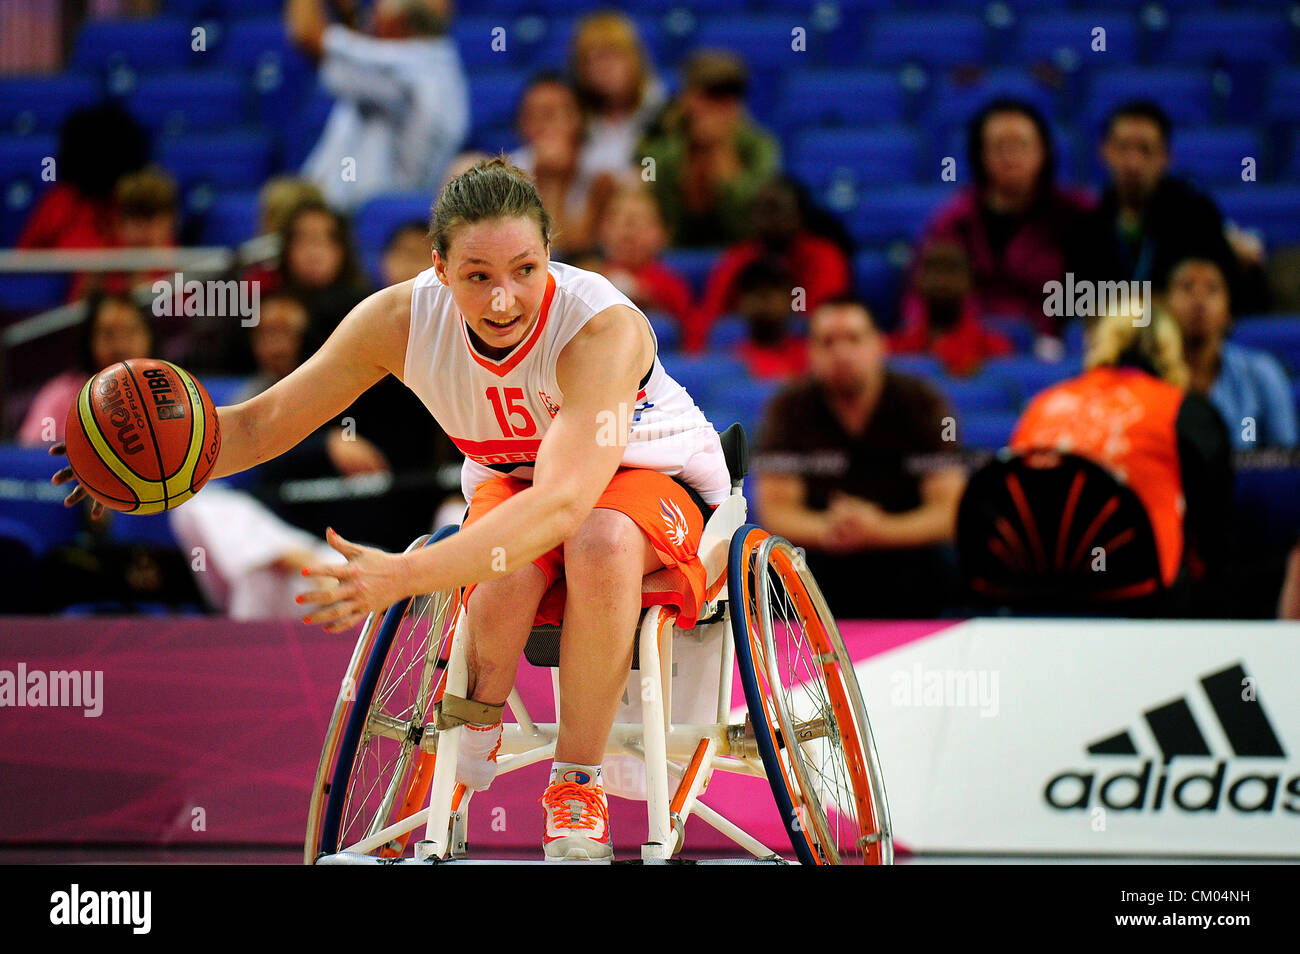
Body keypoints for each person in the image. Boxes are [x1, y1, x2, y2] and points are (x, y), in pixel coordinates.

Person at [52, 156, 729, 863]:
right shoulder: (400, 321)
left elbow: (564, 507)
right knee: (502, 580)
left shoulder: (599, 329)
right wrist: (136, 466)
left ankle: (576, 781)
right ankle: (466, 747)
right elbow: (261, 423)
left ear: (549, 257)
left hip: (654, 476)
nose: (504, 300)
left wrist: (406, 577)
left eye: (525, 271)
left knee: (599, 540)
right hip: (522, 478)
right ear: (438, 267)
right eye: (478, 276)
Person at [1009, 307, 1233, 614]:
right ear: (1172, 350)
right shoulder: (1185, 410)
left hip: (1025, 593)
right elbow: (1212, 525)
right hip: (1140, 596)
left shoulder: (1042, 405)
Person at [754, 297, 966, 618]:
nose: (841, 353)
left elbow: (949, 512)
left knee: (950, 564)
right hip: (818, 562)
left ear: (880, 345)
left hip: (907, 558)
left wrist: (880, 528)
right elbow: (778, 512)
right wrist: (831, 528)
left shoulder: (922, 403)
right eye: (827, 342)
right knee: (767, 572)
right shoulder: (789, 408)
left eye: (853, 339)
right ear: (810, 353)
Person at [904, 98, 1091, 347]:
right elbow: (922, 296)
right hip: (969, 349)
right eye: (1000, 146)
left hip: (1053, 346)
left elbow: (1096, 291)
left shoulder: (1076, 214)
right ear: (980, 154)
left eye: (1021, 145)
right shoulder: (953, 220)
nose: (1011, 156)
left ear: (1043, 152)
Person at [1071, 100, 1268, 314]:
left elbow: (1226, 298)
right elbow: (1076, 304)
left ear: (1165, 157)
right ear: (1105, 151)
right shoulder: (1087, 226)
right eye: (1124, 148)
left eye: (1145, 150)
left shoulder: (1197, 217)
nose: (1133, 163)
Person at [288, 0, 468, 211]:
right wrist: (348, 12)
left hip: (375, 216)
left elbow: (307, 34)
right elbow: (358, 49)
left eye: (375, 14)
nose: (370, 20)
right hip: (370, 210)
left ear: (394, 24)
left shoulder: (412, 67)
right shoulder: (435, 61)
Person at [639, 49, 781, 247]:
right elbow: (660, 215)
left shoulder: (760, 147)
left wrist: (721, 150)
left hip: (740, 253)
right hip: (670, 255)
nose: (712, 108)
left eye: (723, 98)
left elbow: (748, 222)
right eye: (705, 95)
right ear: (686, 99)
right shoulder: (661, 144)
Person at [691, 177, 849, 352]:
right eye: (761, 210)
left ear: (799, 215)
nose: (769, 219)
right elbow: (710, 319)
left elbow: (828, 318)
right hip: (743, 353)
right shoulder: (736, 259)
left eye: (777, 209)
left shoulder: (823, 256)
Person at [1164, 256, 1297, 449]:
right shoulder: (1149, 376)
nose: (1199, 299)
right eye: (1186, 287)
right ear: (1166, 306)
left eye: (1212, 289)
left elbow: (1286, 461)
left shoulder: (1261, 373)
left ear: (1228, 311)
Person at [18, 292, 153, 445]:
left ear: (149, 336)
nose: (120, 346)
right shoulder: (58, 394)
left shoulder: (172, 389)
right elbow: (31, 452)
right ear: (89, 340)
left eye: (130, 332)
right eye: (108, 334)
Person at [509, 74, 620, 258]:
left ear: (578, 119)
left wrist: (556, 181)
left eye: (552, 115)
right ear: (522, 124)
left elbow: (579, 249)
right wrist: (547, 179)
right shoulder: (509, 173)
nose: (544, 126)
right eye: (534, 115)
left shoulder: (603, 171)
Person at [890, 239, 1013, 377]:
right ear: (917, 280)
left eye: (951, 271)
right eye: (933, 270)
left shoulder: (994, 350)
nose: (941, 281)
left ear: (970, 281)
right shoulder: (895, 349)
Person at [568, 11, 667, 173]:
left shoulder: (664, 117)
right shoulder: (574, 121)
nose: (600, 69)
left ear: (634, 57)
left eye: (608, 57)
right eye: (589, 61)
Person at [585, 182, 693, 327]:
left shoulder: (673, 288)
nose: (628, 232)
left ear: (663, 233)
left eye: (641, 221)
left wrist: (647, 297)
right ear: (601, 229)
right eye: (617, 220)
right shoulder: (585, 280)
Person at [730, 258, 808, 380]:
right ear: (740, 303)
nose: (763, 296)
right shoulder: (732, 361)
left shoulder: (811, 356)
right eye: (753, 289)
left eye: (774, 288)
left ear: (792, 300)